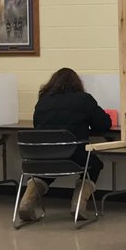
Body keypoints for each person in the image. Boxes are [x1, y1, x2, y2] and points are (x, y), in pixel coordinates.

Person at [19, 68, 113, 223]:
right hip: (73, 156)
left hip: (41, 156)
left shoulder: (43, 101)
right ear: (77, 83)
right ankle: (78, 204)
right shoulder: (84, 99)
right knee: (94, 163)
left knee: (51, 165)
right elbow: (104, 123)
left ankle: (27, 201)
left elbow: (38, 126)